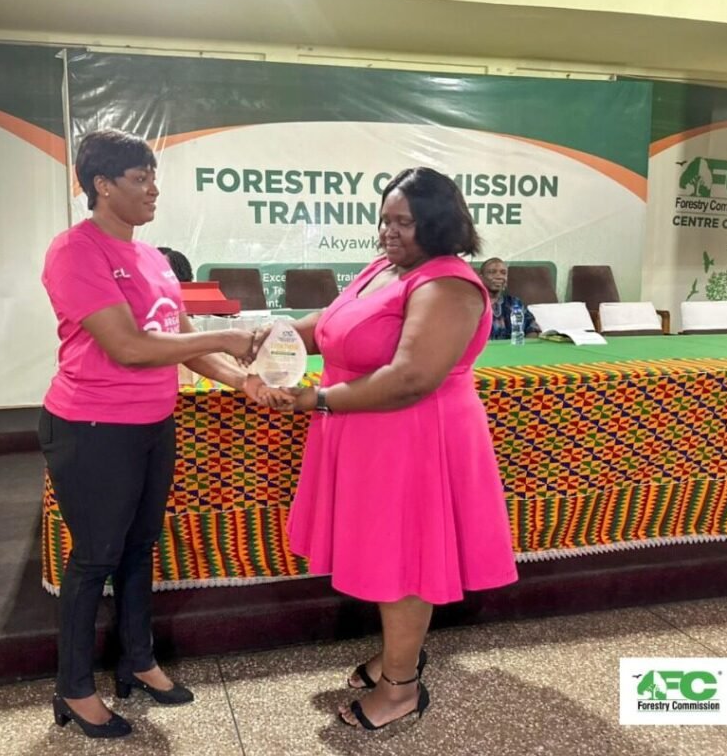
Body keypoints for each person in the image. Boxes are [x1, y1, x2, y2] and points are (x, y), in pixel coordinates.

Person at [40, 128, 284, 740]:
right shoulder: (75, 251)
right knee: (95, 556)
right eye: (139, 178)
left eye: (153, 177)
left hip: (152, 423)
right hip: (92, 426)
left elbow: (181, 345)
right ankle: (74, 688)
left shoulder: (151, 258)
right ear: (101, 184)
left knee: (139, 547)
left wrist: (243, 380)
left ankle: (138, 660)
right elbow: (128, 345)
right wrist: (227, 336)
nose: (153, 189)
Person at [263, 167, 518, 731]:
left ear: (439, 223)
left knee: (404, 562)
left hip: (414, 438)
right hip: (368, 433)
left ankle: (401, 688)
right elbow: (330, 325)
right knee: (382, 553)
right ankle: (398, 656)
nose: (388, 231)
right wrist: (274, 336)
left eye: (404, 222)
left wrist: (317, 400)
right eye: (384, 219)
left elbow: (411, 378)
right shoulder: (386, 268)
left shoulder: (450, 284)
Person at [479, 257, 540, 340]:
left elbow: (532, 329)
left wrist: (526, 345)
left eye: (503, 273)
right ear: (481, 278)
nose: (499, 276)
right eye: (492, 272)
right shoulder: (473, 304)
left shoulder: (514, 303)